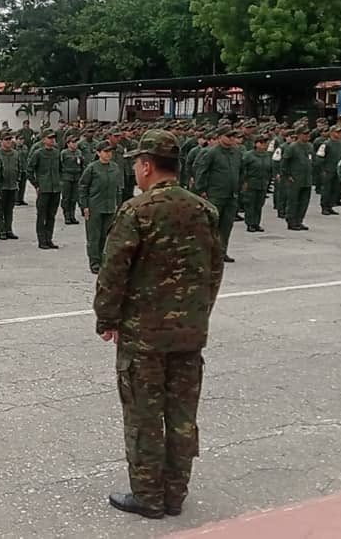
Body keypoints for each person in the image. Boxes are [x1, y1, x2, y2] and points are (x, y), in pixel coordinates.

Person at [94, 129, 224, 520]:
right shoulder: (204, 210)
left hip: (144, 334)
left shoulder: (137, 211)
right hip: (189, 331)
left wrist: (106, 317)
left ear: (147, 165)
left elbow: (114, 270)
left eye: (136, 162)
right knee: (182, 414)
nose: (136, 169)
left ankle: (149, 495)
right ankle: (175, 493)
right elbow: (214, 270)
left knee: (145, 415)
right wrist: (199, 314)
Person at [194, 128, 240, 262]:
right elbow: (201, 171)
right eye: (229, 136)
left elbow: (240, 170)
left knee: (227, 225)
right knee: (212, 225)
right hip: (215, 194)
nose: (232, 139)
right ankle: (207, 253)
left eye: (233, 136)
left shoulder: (236, 152)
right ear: (219, 137)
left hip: (231, 195)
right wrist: (201, 189)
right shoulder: (211, 153)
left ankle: (221, 252)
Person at [78, 141, 122, 274]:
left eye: (110, 152)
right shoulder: (92, 168)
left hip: (109, 207)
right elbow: (83, 187)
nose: (108, 154)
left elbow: (118, 188)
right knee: (94, 236)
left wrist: (118, 205)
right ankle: (94, 262)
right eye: (105, 152)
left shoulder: (115, 167)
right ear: (98, 153)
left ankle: (104, 260)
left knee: (106, 235)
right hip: (95, 206)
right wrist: (84, 206)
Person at [28, 129, 63, 249]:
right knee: (41, 215)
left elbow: (61, 169)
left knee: (51, 215)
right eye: (49, 138)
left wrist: (60, 182)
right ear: (43, 140)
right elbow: (29, 170)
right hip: (44, 189)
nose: (52, 140)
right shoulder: (38, 153)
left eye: (53, 137)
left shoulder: (57, 153)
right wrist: (36, 184)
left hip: (55, 189)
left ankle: (49, 239)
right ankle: (42, 240)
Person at [280, 126, 314, 230]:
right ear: (299, 135)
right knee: (293, 201)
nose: (307, 136)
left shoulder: (310, 146)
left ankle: (299, 221)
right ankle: (291, 221)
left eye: (308, 134)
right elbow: (284, 163)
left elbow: (313, 160)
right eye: (305, 134)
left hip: (306, 179)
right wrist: (287, 175)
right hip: (295, 179)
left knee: (304, 202)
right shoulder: (292, 147)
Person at [241, 135, 272, 233]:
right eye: (261, 143)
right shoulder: (248, 155)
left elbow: (270, 169)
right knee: (250, 204)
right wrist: (244, 181)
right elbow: (242, 169)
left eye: (265, 143)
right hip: (251, 182)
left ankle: (256, 223)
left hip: (262, 183)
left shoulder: (267, 155)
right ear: (256, 144)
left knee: (259, 204)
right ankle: (250, 223)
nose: (264, 145)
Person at [0, 131, 22, 240]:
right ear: (1, 141)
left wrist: (18, 180)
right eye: (6, 140)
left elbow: (19, 167)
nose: (9, 142)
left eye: (10, 140)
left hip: (12, 186)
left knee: (9, 210)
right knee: (0, 210)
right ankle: (2, 231)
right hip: (1, 187)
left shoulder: (15, 154)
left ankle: (9, 229)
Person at [60, 135, 85, 224]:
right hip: (67, 177)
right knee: (67, 198)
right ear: (68, 144)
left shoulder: (79, 152)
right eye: (73, 142)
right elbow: (60, 165)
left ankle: (72, 215)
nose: (75, 144)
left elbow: (82, 165)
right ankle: (67, 215)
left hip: (77, 177)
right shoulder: (64, 153)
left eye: (76, 142)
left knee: (74, 197)